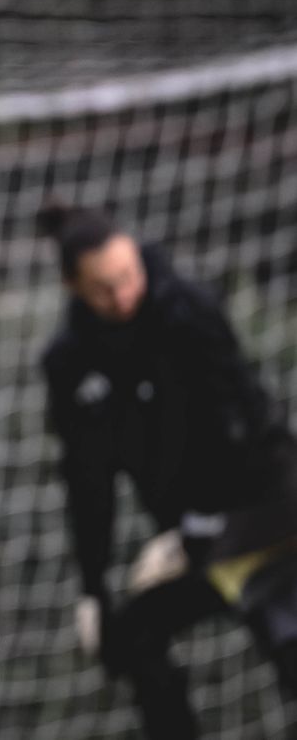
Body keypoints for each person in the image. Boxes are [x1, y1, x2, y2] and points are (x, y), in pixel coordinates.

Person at [37, 200, 297, 740]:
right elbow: (88, 482)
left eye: (128, 275)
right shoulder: (70, 361)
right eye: (104, 286)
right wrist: (94, 590)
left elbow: (246, 427)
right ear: (73, 287)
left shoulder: (188, 310)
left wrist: (198, 529)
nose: (123, 292)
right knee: (128, 636)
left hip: (264, 514)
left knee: (283, 629)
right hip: (194, 540)